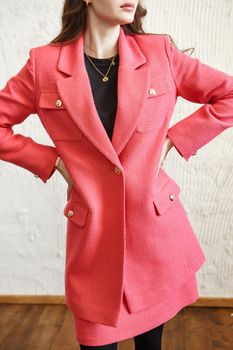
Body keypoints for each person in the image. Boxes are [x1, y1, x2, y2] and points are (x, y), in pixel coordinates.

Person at [1, 1, 233, 349]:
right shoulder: (43, 65)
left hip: (154, 238)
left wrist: (172, 141)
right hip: (94, 245)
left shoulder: (159, 53)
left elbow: (227, 94)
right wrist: (52, 162)